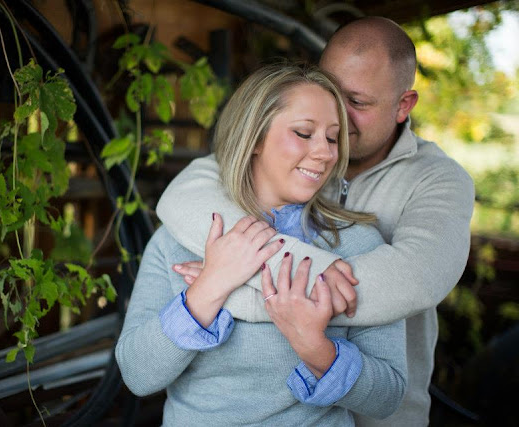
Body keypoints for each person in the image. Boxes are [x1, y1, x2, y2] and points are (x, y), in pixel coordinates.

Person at [156, 17, 475, 427]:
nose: (334, 113)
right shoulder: (289, 153)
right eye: (329, 89)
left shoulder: (439, 181)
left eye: (357, 103)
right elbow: (185, 197)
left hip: (382, 412)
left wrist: (227, 289)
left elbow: (415, 279)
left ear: (403, 106)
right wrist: (237, 279)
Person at [116, 64, 407, 426]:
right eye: (304, 133)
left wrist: (316, 348)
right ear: (254, 138)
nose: (325, 153)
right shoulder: (183, 237)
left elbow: (389, 396)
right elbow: (137, 375)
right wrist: (209, 288)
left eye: (333, 138)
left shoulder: (357, 245)